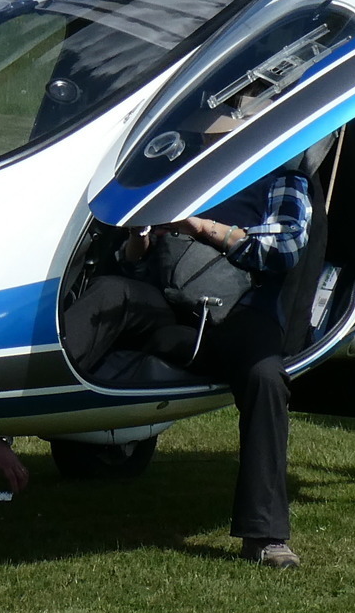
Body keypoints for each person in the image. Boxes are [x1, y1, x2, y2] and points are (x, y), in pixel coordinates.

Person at [62, 165, 311, 569]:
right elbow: (134, 269)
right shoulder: (178, 168)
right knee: (109, 292)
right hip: (169, 309)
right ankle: (6, 417)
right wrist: (136, 245)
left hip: (241, 312)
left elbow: (285, 248)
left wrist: (199, 227)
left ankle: (265, 535)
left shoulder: (280, 175)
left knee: (265, 376)